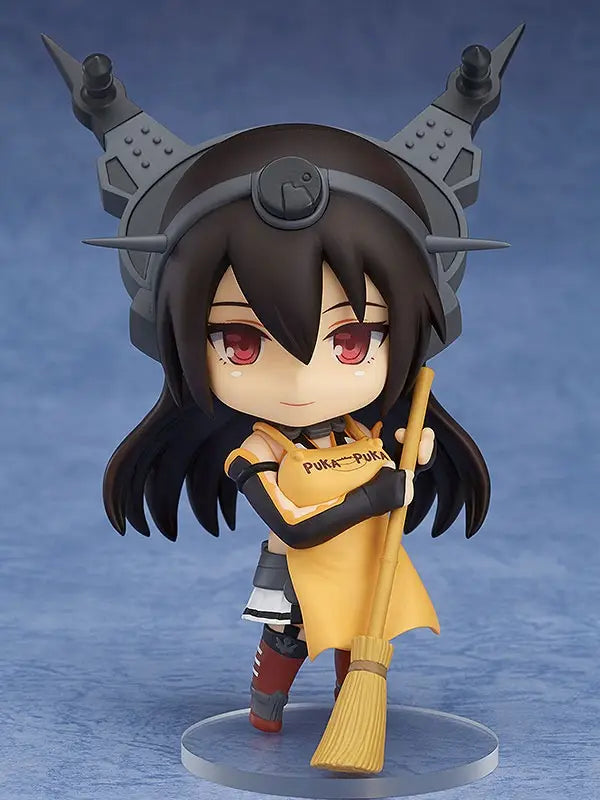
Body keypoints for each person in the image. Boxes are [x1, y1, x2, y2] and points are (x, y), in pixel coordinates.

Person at [102, 123, 491, 733]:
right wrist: (376, 496)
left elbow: (392, 465)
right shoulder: (255, 452)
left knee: (358, 638)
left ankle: (351, 716)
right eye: (242, 342)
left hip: (359, 564)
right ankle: (266, 712)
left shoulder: (359, 434)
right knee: (287, 639)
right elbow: (292, 526)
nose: (303, 383)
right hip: (296, 570)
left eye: (352, 341)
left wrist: (412, 456)